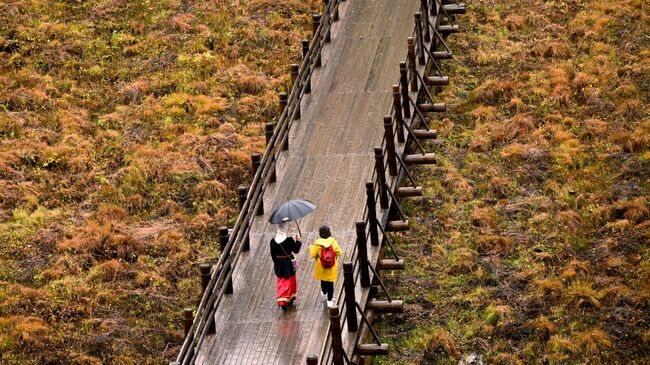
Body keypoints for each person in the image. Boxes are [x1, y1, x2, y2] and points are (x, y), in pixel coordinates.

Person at [270, 218, 302, 311]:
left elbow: (273, 255)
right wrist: (298, 240)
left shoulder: (273, 241)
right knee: (291, 280)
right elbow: (296, 250)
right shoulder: (289, 240)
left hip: (279, 263)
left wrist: (277, 264)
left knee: (282, 282)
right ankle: (288, 298)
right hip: (289, 262)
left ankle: (283, 300)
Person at [309, 225, 342, 307]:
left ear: (320, 234)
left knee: (323, 281)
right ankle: (330, 301)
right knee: (330, 284)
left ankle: (324, 294)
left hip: (321, 267)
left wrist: (310, 247)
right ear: (329, 232)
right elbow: (339, 252)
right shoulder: (333, 242)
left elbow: (313, 255)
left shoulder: (317, 243)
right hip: (331, 266)